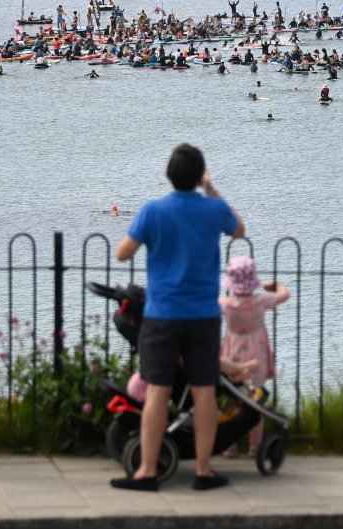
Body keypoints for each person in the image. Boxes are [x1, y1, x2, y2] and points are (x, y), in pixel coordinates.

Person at [112, 144, 245, 491]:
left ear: (168, 175)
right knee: (204, 392)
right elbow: (239, 230)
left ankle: (147, 472)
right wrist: (212, 190)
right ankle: (204, 471)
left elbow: (122, 253)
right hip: (202, 314)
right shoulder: (213, 209)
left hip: (163, 313)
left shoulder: (152, 211)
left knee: (158, 389)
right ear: (199, 176)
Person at [219, 256, 289, 456]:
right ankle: (255, 446)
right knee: (255, 398)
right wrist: (277, 285)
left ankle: (229, 445)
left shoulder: (226, 303)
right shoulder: (261, 301)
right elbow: (284, 295)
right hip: (255, 354)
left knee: (231, 396)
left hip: (232, 354)